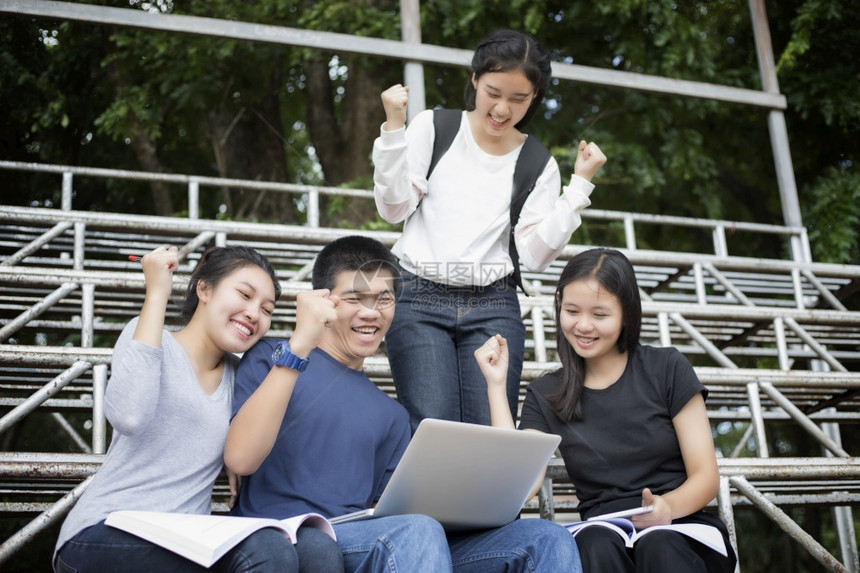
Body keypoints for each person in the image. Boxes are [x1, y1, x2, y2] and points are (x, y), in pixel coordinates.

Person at [224, 235, 582, 573]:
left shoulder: (392, 416)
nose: (371, 313)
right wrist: (299, 345)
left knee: (548, 538)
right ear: (324, 300)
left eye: (384, 299)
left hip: (364, 538)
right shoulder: (274, 356)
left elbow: (392, 510)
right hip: (281, 534)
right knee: (417, 531)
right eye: (354, 298)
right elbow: (241, 457)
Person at [372, 28, 607, 430]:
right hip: (418, 297)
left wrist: (579, 186)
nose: (502, 109)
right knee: (434, 428)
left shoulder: (538, 162)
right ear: (476, 79)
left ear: (534, 98)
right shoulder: (435, 127)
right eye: (494, 92)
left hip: (493, 306)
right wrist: (394, 129)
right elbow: (393, 208)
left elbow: (533, 257)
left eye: (518, 99)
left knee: (490, 431)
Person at [54, 245, 341, 573]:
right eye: (244, 295)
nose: (253, 313)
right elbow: (129, 415)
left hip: (186, 541)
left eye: (267, 309)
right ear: (203, 288)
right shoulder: (151, 337)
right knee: (265, 551)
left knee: (316, 548)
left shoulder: (241, 376)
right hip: (106, 530)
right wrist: (158, 293)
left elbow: (246, 450)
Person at [475, 247, 738, 573]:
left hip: (678, 523)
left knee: (659, 543)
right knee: (594, 545)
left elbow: (706, 475)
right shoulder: (545, 393)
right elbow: (520, 485)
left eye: (599, 315)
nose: (583, 326)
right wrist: (496, 386)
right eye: (572, 311)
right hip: (603, 530)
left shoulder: (667, 367)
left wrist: (667, 507)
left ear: (626, 314)